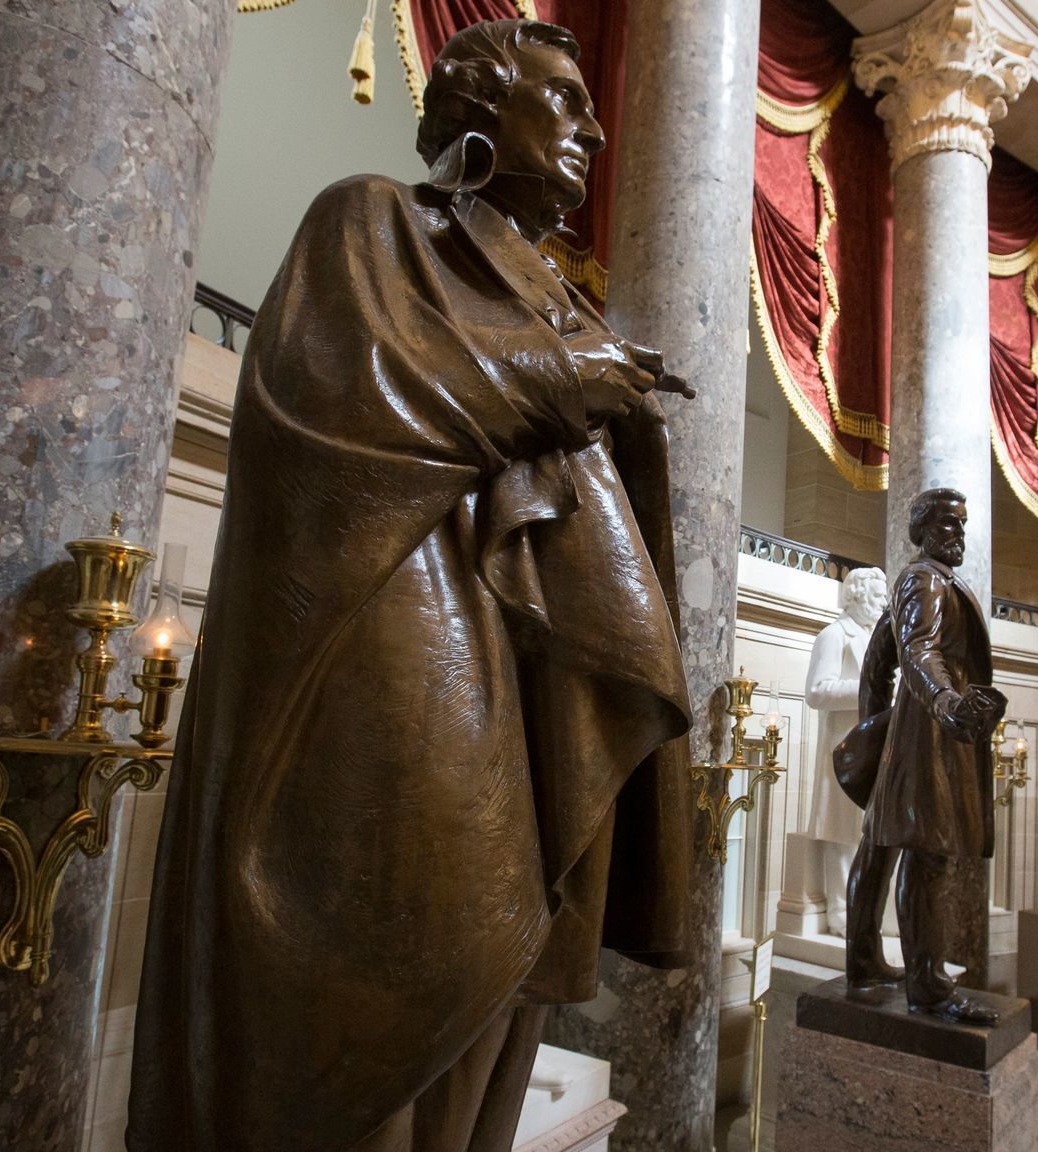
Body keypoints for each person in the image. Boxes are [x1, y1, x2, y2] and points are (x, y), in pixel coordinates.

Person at [127, 21, 698, 1152]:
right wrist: (563, 376)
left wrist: (602, 395)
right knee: (409, 924)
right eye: (565, 100)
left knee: (507, 953)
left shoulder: (556, 295)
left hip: (536, 651)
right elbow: (329, 401)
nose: (590, 130)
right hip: (397, 603)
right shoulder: (373, 217)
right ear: (481, 106)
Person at [841, 488, 1003, 1023]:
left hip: (915, 734)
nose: (959, 534)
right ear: (926, 529)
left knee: (881, 844)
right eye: (950, 524)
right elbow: (917, 650)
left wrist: (875, 727)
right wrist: (945, 701)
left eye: (962, 524)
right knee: (926, 854)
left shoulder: (924, 580)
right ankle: (929, 987)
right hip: (930, 734)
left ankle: (864, 964)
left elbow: (878, 658)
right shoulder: (924, 578)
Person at [804, 566, 890, 936]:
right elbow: (816, 691)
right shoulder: (834, 635)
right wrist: (867, 687)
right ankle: (841, 908)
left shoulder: (880, 639)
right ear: (855, 594)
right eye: (877, 595)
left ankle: (874, 911)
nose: (884, 602)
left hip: (876, 744)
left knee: (872, 827)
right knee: (842, 828)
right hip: (845, 746)